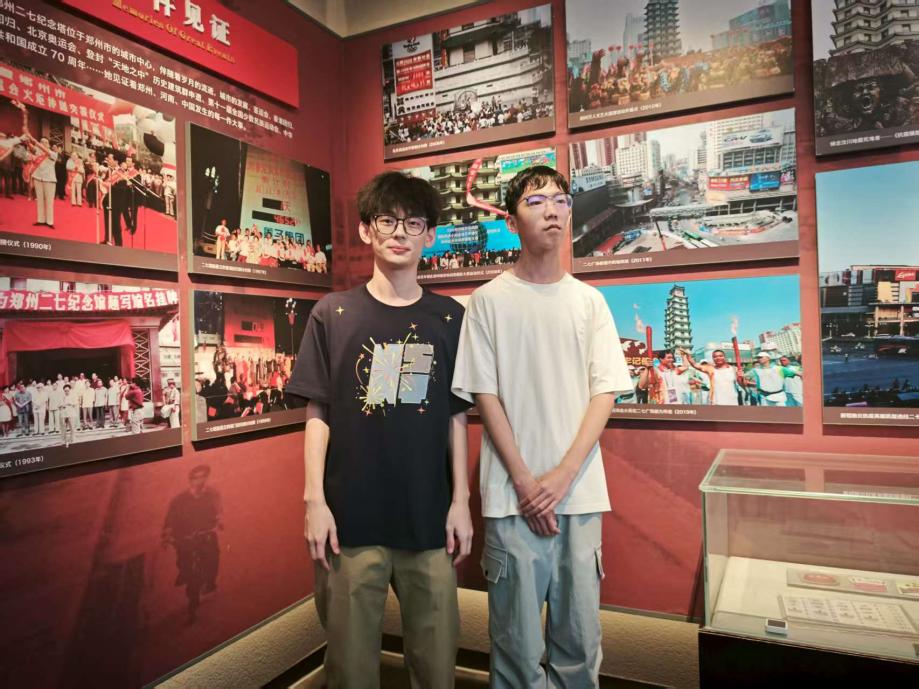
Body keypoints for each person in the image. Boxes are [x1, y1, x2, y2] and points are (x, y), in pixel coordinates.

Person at [286, 171, 473, 689]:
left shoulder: (449, 318)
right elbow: (317, 413)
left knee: (436, 668)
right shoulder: (333, 314)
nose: (399, 233)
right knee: (350, 670)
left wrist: (461, 501)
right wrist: (314, 501)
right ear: (366, 230)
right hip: (349, 521)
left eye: (413, 223)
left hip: (428, 519)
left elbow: (456, 414)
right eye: (387, 221)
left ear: (429, 235)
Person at [452, 166, 632, 689]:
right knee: (515, 648)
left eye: (560, 200)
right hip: (512, 498)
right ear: (511, 222)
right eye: (535, 202)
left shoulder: (589, 301)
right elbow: (485, 396)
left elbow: (605, 392)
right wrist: (527, 482)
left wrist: (561, 476)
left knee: (580, 645)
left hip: (579, 495)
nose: (552, 210)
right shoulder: (488, 301)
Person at [161, 464, 222, 624]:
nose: (200, 481)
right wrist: (167, 535)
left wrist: (218, 522)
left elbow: (218, 511)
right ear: (191, 480)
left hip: (205, 535)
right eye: (196, 478)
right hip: (186, 538)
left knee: (213, 558)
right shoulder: (180, 500)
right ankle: (187, 581)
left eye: (203, 477)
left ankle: (209, 583)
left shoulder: (211, 495)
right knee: (185, 564)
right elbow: (170, 519)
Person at [25, 134, 58, 228]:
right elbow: (32, 149)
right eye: (42, 142)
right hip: (38, 178)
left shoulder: (53, 154)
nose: (43, 143)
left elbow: (44, 150)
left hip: (49, 180)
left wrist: (36, 142)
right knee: (39, 200)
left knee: (49, 201)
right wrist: (28, 142)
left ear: (49, 145)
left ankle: (49, 222)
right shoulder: (37, 153)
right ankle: (41, 220)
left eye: (45, 142)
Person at [60, 383, 80, 448]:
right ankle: (64, 440)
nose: (66, 392)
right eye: (65, 391)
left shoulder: (73, 396)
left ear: (70, 390)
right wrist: (62, 405)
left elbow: (76, 403)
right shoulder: (62, 396)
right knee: (63, 427)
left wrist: (70, 403)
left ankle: (73, 439)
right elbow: (59, 405)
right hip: (64, 413)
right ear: (64, 391)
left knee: (72, 427)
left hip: (71, 413)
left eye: (68, 390)